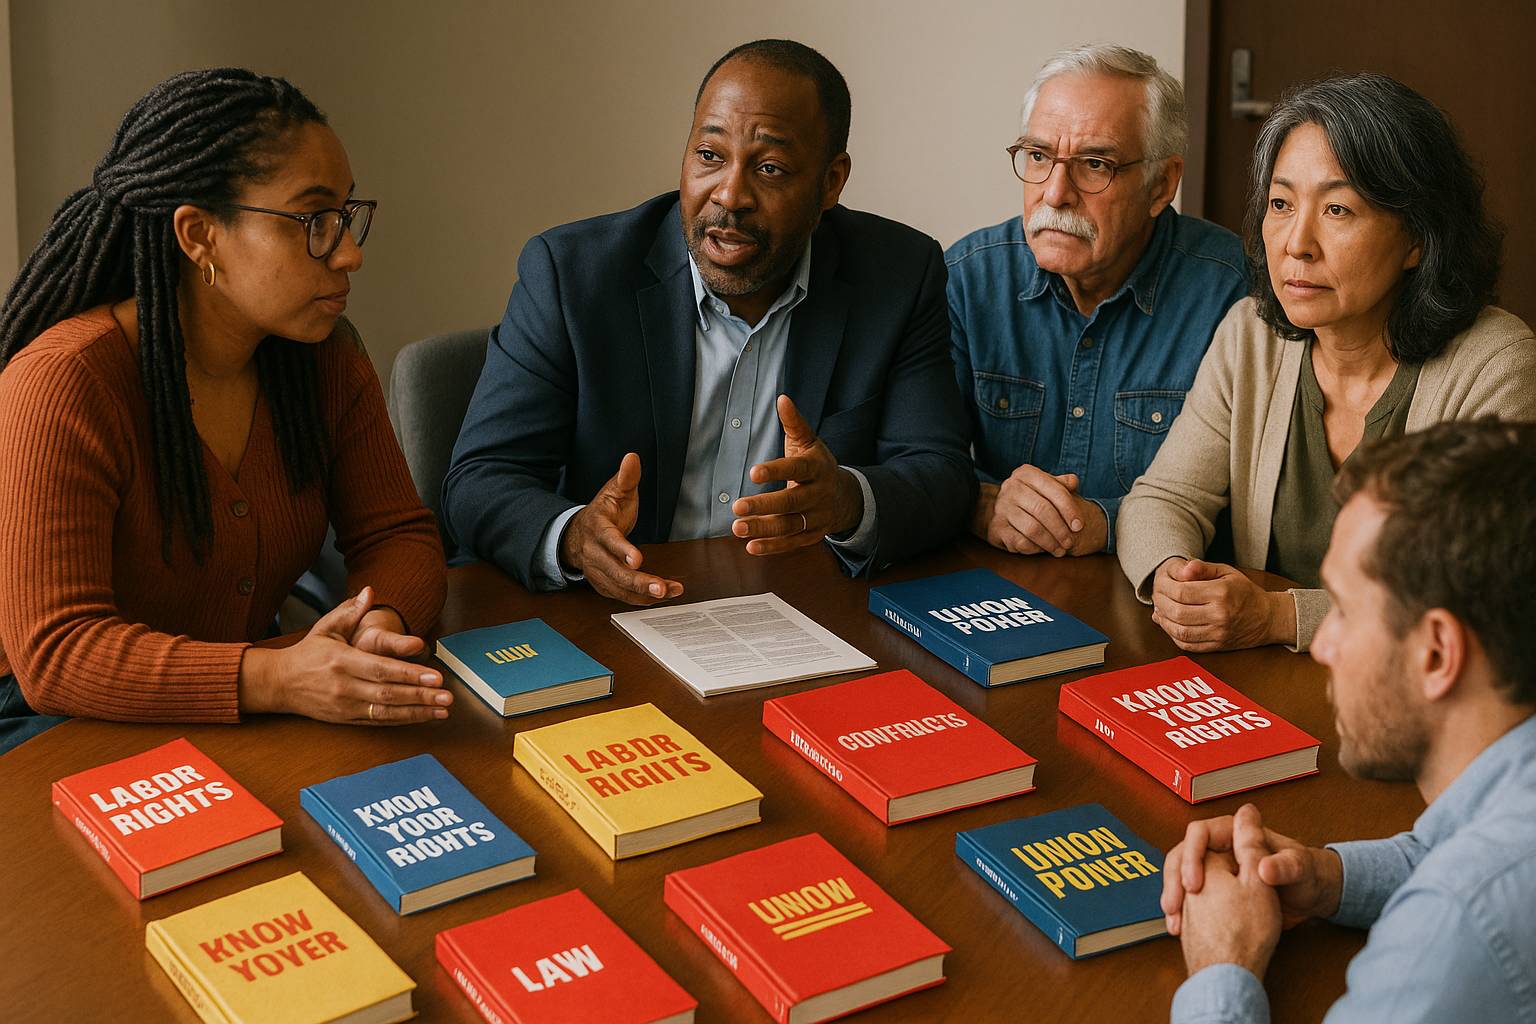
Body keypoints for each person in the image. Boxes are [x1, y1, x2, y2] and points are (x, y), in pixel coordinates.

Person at [0, 69, 449, 753]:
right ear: (200, 235)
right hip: (54, 730)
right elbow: (58, 653)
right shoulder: (64, 384)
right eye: (314, 220)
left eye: (348, 216)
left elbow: (397, 534)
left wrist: (376, 625)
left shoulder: (322, 357)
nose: (350, 252)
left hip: (247, 706)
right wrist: (270, 677)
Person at [443, 39, 974, 604]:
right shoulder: (572, 275)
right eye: (710, 156)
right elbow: (480, 479)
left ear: (830, 183)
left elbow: (941, 474)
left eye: (770, 168)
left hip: (801, 612)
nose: (729, 194)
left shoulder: (897, 274)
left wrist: (847, 499)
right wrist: (575, 537)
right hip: (608, 611)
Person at [1117, 73, 1536, 652]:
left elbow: (1472, 594)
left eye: (1338, 209)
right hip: (1269, 690)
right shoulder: (1251, 335)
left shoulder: (1495, 365)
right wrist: (1173, 576)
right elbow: (1162, 499)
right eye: (1282, 204)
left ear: (1417, 238)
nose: (1296, 242)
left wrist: (1277, 617)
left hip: (1424, 705)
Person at [1159, 419, 1536, 1023]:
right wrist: (1330, 877)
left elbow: (1471, 895)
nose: (1324, 644)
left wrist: (1222, 966)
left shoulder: (1453, 927)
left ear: (1437, 652)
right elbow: (1463, 849)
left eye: (1345, 612)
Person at [948, 45, 1245, 560]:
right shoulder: (969, 279)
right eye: (1038, 157)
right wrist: (979, 501)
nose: (1055, 193)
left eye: (1094, 165)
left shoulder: (1233, 296)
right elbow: (917, 456)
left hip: (1155, 599)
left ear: (1162, 184)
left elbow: (1251, 512)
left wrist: (1108, 523)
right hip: (993, 589)